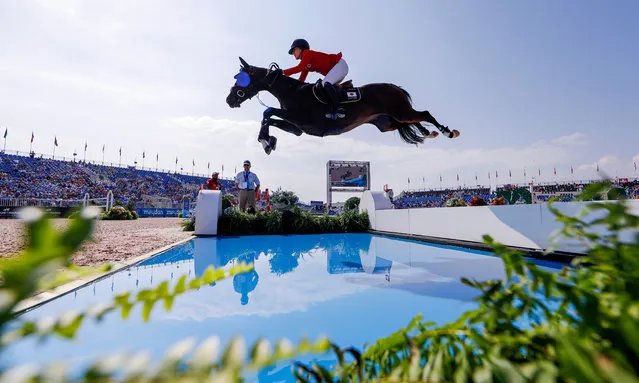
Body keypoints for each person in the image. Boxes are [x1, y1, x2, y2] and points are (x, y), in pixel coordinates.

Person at [283, 38, 349, 120]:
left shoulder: (307, 53)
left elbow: (299, 68)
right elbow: (300, 81)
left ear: (301, 48)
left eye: (294, 50)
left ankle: (338, 108)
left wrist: (282, 73)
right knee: (324, 86)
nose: (293, 53)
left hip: (339, 65)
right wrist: (293, 90)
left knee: (325, 84)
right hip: (337, 69)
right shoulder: (306, 63)